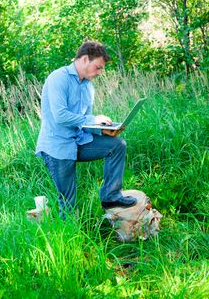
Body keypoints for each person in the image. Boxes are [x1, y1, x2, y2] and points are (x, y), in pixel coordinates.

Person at [35, 41, 137, 218]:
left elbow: (83, 123)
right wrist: (93, 119)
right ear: (84, 59)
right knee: (68, 202)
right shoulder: (58, 78)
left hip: (79, 141)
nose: (99, 73)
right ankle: (68, 238)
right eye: (97, 67)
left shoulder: (88, 86)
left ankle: (111, 197)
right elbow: (60, 116)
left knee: (117, 145)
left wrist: (101, 130)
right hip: (57, 147)